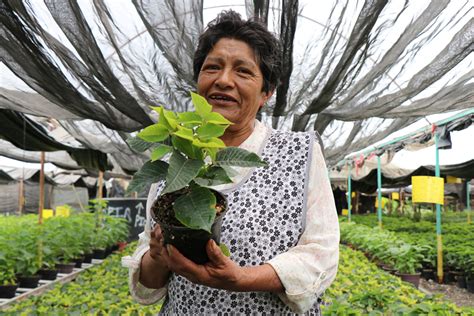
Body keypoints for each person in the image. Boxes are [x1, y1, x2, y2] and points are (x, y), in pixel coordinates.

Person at [122, 10, 339, 315]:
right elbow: (149, 277)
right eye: (212, 67)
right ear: (199, 80)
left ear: (266, 92)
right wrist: (157, 255)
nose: (224, 80)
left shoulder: (300, 152)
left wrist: (242, 278)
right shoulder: (177, 161)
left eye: (243, 71)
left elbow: (321, 254)